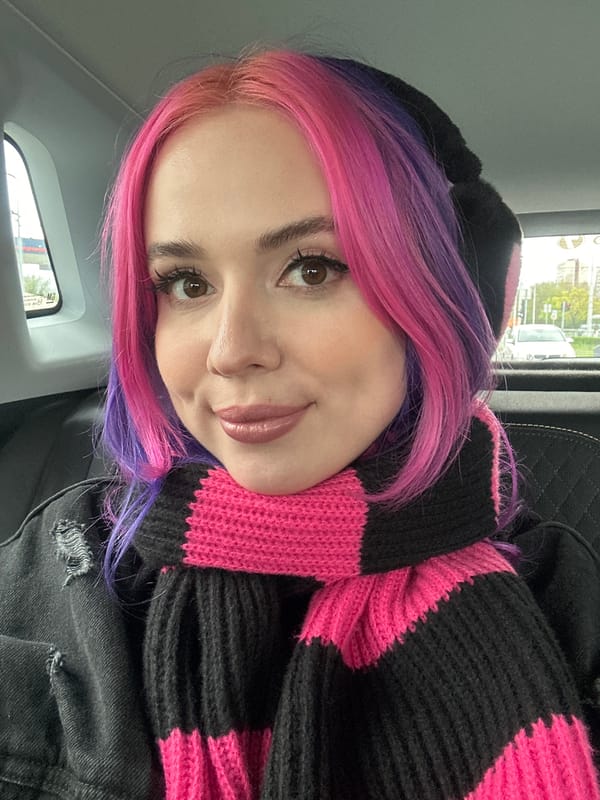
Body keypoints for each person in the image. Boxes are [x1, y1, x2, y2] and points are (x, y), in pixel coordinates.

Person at [1, 49, 598, 800]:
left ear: (444, 299)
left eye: (311, 269)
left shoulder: (562, 604)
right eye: (186, 284)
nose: (231, 350)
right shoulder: (64, 572)